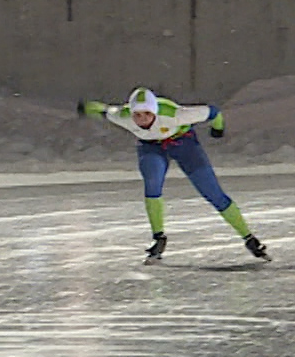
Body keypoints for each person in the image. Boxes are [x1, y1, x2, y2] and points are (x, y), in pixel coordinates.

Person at [77, 87, 270, 263]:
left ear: (155, 112)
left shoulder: (176, 115)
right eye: (137, 115)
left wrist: (217, 129)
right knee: (152, 186)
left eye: (147, 114)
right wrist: (82, 107)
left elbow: (213, 112)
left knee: (212, 192)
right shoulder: (122, 116)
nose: (142, 119)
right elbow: (102, 110)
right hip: (151, 147)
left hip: (183, 143)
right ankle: (159, 238)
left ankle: (249, 238)